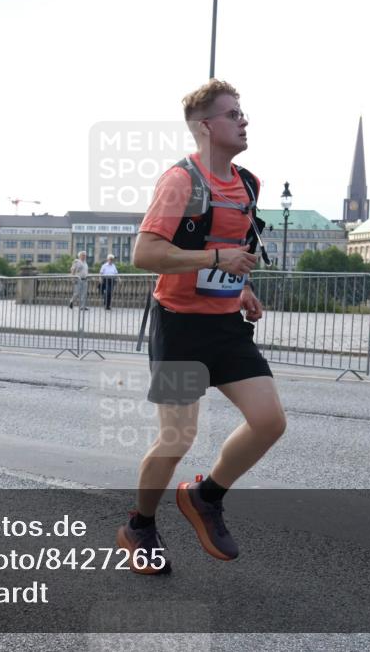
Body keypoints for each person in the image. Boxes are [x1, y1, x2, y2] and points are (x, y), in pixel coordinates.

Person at [116, 79, 287, 575]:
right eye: (233, 114)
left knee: (270, 421)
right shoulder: (182, 182)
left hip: (225, 325)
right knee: (176, 440)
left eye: (243, 112)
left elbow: (230, 254)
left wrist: (243, 288)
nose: (244, 120)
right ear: (207, 127)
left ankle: (205, 497)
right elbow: (145, 253)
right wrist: (217, 257)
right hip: (181, 329)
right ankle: (139, 525)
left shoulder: (248, 184)